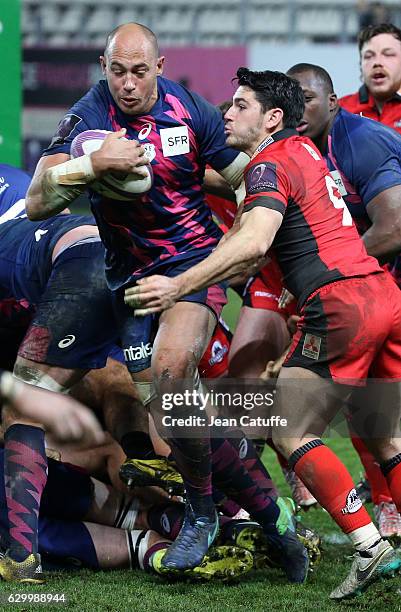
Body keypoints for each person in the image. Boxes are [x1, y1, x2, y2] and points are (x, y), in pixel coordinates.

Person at [126, 67, 401, 600]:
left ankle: (369, 549)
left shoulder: (269, 165)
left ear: (273, 117)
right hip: (383, 294)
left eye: (240, 106)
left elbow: (253, 243)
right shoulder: (306, 151)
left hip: (339, 303)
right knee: (385, 434)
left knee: (290, 428)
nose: (227, 114)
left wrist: (178, 283)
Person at [24, 21, 253, 571]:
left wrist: (254, 234)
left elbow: (245, 177)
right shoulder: (87, 115)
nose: (128, 84)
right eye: (118, 71)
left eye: (140, 71)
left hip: (191, 266)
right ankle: (238, 488)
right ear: (105, 68)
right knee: (151, 405)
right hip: (124, 280)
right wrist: (90, 165)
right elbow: (37, 201)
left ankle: (204, 511)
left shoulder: (190, 109)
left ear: (161, 67)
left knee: (172, 373)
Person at [287, 61, 401, 537]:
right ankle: (385, 503)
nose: (298, 109)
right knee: (374, 413)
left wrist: (332, 270)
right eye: (290, 100)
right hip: (376, 286)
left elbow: (394, 227)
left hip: (376, 280)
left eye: (308, 99)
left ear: (333, 103)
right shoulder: (301, 149)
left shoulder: (361, 141)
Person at [0, 448, 253, 583]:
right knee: (136, 513)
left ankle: (161, 556)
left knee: (140, 545)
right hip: (17, 473)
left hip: (11, 530)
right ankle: (230, 528)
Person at [339, 23, 401, 133]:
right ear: (360, 65)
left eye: (388, 54)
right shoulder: (339, 112)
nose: (377, 63)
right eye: (369, 56)